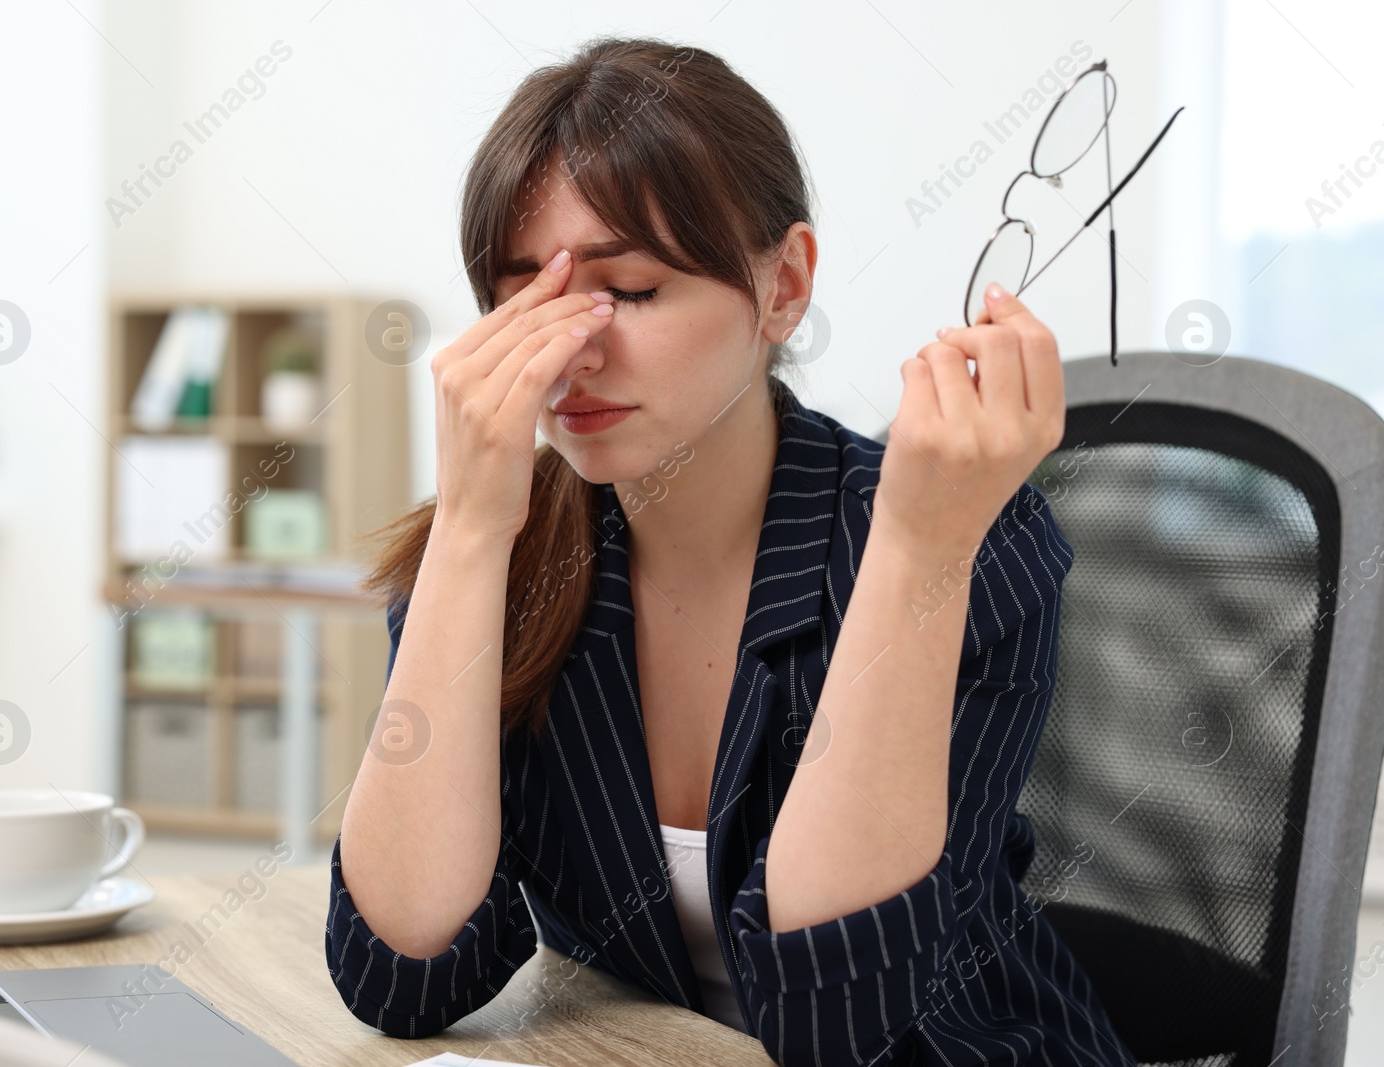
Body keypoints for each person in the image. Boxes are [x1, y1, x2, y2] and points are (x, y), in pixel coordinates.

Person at [326, 36, 1136, 1066]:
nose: (572, 347)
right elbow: (401, 975)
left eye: (631, 288)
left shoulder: (965, 535)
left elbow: (829, 1020)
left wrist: (917, 550)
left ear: (784, 285)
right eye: (525, 296)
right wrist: (471, 533)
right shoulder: (507, 552)